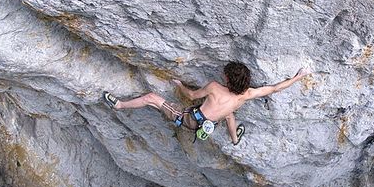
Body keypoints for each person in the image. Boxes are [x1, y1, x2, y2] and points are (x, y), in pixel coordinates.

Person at [103, 62, 311, 145]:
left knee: (151, 99)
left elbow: (192, 96)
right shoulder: (247, 94)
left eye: (226, 75)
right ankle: (235, 139)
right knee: (230, 114)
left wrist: (179, 85)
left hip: (190, 120)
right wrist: (299, 77)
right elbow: (275, 88)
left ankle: (119, 105)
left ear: (228, 79)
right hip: (215, 121)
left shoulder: (214, 87)